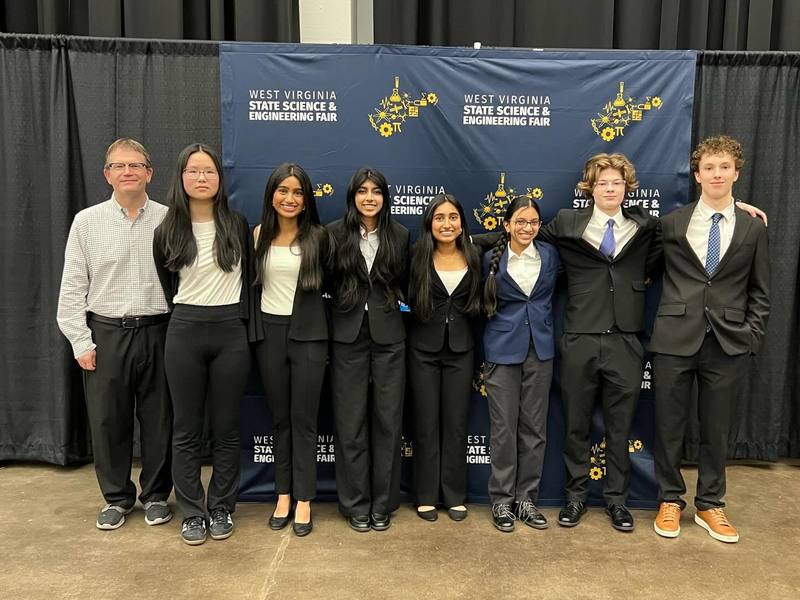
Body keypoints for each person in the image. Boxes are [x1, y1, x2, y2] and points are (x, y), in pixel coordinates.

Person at [651, 135, 769, 543]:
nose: (717, 174)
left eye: (724, 167)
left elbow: (761, 291)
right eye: (709, 168)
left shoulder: (753, 227)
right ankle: (670, 499)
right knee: (669, 425)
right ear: (697, 175)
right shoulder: (672, 223)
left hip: (728, 342)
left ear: (736, 172)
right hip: (674, 338)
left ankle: (710, 504)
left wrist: (751, 336)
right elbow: (641, 262)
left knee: (716, 429)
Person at [537, 153, 660, 532]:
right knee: (575, 425)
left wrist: (735, 207)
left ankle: (617, 501)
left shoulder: (646, 226)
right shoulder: (566, 223)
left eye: (617, 183)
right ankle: (575, 498)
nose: (610, 189)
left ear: (627, 188)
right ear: (589, 188)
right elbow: (522, 236)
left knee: (620, 429)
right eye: (603, 183)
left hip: (626, 341)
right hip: (580, 338)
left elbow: (690, 230)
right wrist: (466, 241)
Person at [57, 138, 173, 531]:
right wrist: (80, 341)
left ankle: (156, 496)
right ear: (107, 174)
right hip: (106, 333)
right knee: (108, 421)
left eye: (136, 165)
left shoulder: (169, 219)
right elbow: (73, 286)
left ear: (149, 172)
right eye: (119, 166)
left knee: (160, 420)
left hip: (160, 331)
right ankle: (116, 498)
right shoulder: (87, 222)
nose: (128, 172)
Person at [152, 143, 253, 546]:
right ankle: (193, 512)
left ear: (219, 179)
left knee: (226, 428)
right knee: (186, 429)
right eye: (193, 171)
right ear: (181, 177)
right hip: (185, 330)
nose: (201, 178)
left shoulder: (237, 224)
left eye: (209, 171)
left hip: (231, 331)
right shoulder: (167, 230)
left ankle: (222, 507)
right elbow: (168, 285)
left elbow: (249, 281)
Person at [252, 163, 332, 537]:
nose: (290, 198)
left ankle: (304, 499)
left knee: (304, 421)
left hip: (310, 336)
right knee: (280, 420)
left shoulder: (320, 237)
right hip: (269, 334)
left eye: (298, 192)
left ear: (306, 199)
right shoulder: (258, 235)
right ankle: (282, 495)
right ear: (272, 195)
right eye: (283, 190)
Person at [328, 167, 410, 532]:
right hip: (347, 336)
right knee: (351, 423)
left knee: (388, 422)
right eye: (362, 191)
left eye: (376, 191)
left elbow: (404, 283)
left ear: (385, 198)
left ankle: (383, 503)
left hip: (389, 337)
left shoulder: (400, 235)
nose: (369, 198)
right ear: (353, 197)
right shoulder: (334, 233)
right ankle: (355, 503)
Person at [481, 196, 559, 532]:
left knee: (534, 429)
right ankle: (501, 500)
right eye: (521, 222)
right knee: (503, 429)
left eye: (533, 223)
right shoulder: (489, 259)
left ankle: (526, 499)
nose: (527, 228)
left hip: (540, 350)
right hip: (502, 350)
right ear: (507, 225)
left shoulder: (551, 255)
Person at [407, 194, 482, 522]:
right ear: (429, 223)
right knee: (426, 423)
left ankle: (453, 495)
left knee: (455, 424)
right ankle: (425, 495)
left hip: (461, 350)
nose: (446, 224)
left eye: (453, 217)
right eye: (439, 218)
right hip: (422, 350)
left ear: (462, 223)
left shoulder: (475, 254)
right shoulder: (415, 256)